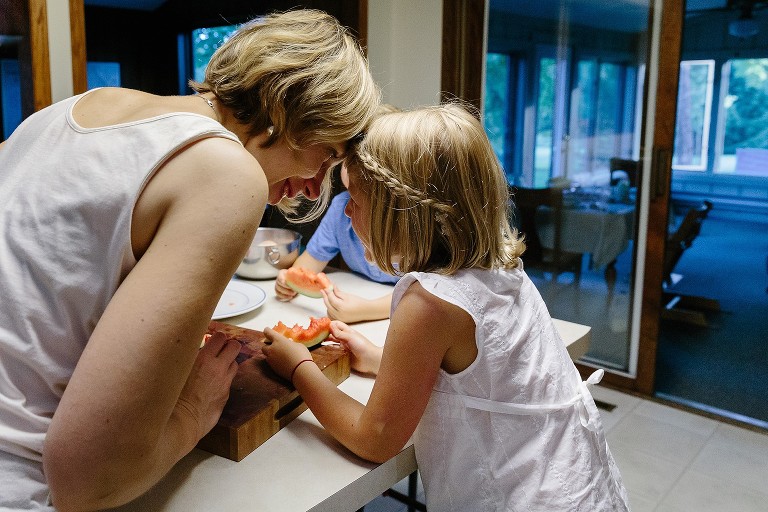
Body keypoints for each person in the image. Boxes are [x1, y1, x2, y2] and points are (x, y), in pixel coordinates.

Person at [0, 9, 379, 511]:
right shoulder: (226, 170)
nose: (316, 185)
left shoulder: (64, 113)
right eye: (325, 153)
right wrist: (192, 409)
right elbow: (87, 480)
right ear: (288, 108)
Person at [262, 103, 630, 511]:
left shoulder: (427, 303)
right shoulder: (502, 269)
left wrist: (299, 368)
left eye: (356, 200)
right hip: (576, 486)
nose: (346, 211)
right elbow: (485, 373)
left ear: (402, 212)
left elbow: (376, 439)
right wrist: (382, 360)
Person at [274, 165, 399, 323]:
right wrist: (289, 280)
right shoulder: (341, 206)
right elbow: (309, 264)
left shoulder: (409, 223)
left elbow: (420, 292)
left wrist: (367, 310)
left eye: (357, 199)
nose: (348, 209)